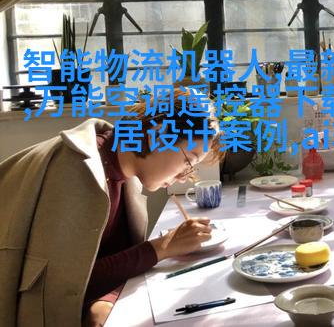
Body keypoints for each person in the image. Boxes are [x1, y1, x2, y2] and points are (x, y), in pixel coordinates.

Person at [0, 88, 223, 327]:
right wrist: (161, 248)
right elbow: (61, 288)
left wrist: (107, 299)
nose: (183, 177)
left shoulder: (123, 169)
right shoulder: (76, 171)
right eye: (188, 161)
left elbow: (109, 262)